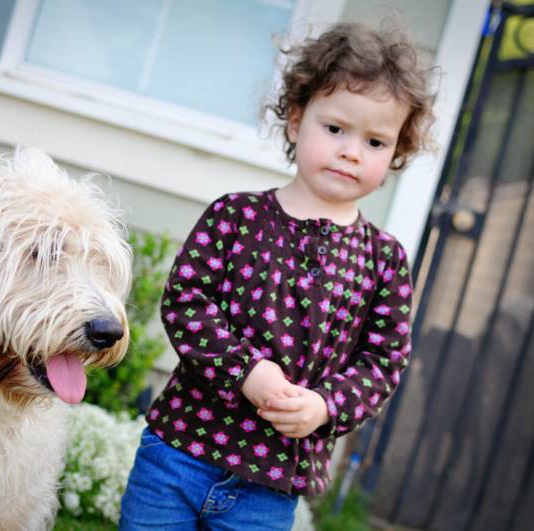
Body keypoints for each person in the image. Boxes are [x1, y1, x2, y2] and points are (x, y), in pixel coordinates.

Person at [119, 21, 435, 531]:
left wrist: (325, 404)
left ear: (395, 153)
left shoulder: (385, 260)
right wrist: (247, 371)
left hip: (270, 486)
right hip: (180, 452)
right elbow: (187, 302)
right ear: (295, 121)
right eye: (335, 129)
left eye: (375, 141)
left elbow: (383, 362)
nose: (352, 151)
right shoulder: (236, 217)